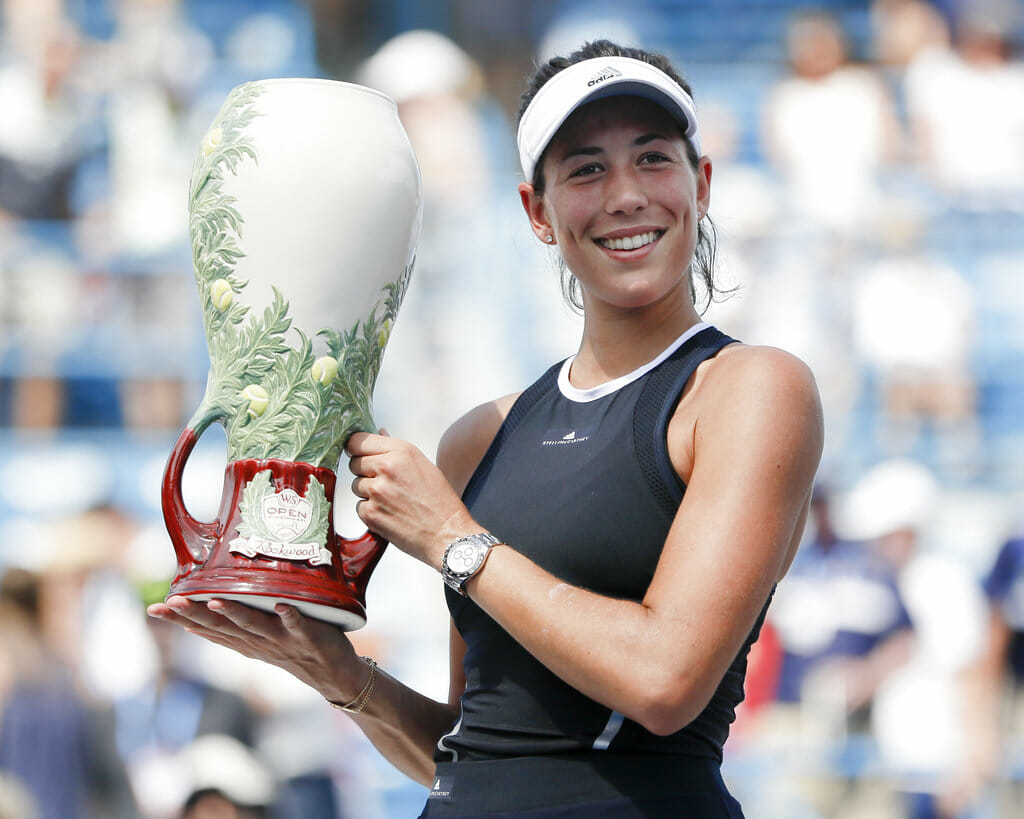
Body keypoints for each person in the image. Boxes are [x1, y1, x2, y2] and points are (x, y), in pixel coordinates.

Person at [148, 40, 824, 817]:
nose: (627, 195)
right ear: (537, 212)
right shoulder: (477, 438)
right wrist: (339, 674)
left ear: (700, 184)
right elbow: (473, 750)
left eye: (652, 159)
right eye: (586, 169)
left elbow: (665, 682)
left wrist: (453, 540)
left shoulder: (752, 389)